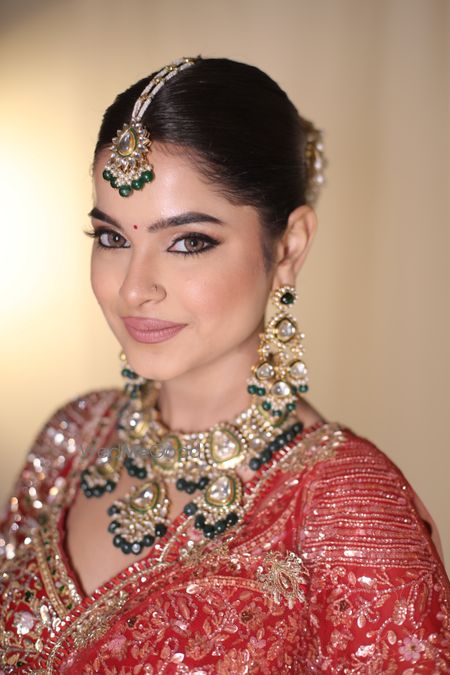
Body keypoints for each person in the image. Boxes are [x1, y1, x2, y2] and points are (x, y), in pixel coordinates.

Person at [0, 57, 448, 674]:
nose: (134, 289)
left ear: (288, 247)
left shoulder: (350, 509)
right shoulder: (73, 436)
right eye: (112, 238)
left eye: (188, 242)